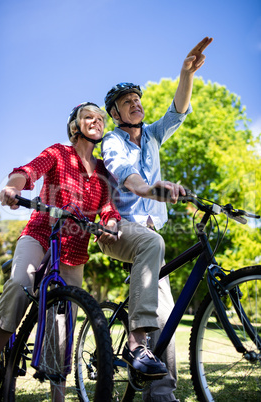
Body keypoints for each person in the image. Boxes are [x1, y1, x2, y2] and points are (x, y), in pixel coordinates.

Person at [99, 37, 213, 402]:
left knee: (168, 317)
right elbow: (126, 175)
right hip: (117, 230)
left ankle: (162, 394)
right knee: (152, 244)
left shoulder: (151, 136)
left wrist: (185, 73)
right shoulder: (113, 142)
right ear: (115, 114)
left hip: (150, 239)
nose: (135, 105)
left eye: (137, 100)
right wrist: (150, 190)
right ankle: (135, 344)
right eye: (126, 103)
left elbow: (177, 111)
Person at [0, 102, 121, 401]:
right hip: (40, 235)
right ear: (75, 125)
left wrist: (111, 225)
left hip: (74, 253)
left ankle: (58, 399)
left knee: (62, 328)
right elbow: (29, 170)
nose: (96, 120)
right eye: (88, 116)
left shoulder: (103, 170)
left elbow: (108, 207)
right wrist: (13, 188)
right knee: (20, 286)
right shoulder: (59, 153)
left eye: (100, 117)